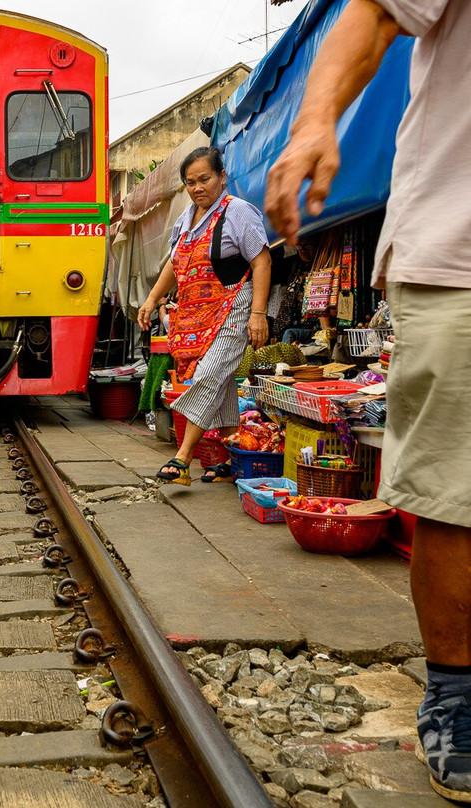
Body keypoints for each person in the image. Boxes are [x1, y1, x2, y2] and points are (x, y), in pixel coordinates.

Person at [265, 1, 471, 800]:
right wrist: (315, 120)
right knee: (454, 491)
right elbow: (377, 11)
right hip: (460, 251)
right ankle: (456, 693)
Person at [137, 146, 271, 486]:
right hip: (198, 315)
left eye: (205, 179)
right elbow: (174, 262)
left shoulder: (238, 212)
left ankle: (183, 458)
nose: (198, 188)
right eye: (190, 182)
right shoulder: (187, 218)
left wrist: (258, 314)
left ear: (222, 177)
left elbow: (261, 261)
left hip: (235, 305)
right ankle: (232, 458)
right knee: (223, 382)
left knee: (209, 373)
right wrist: (152, 299)